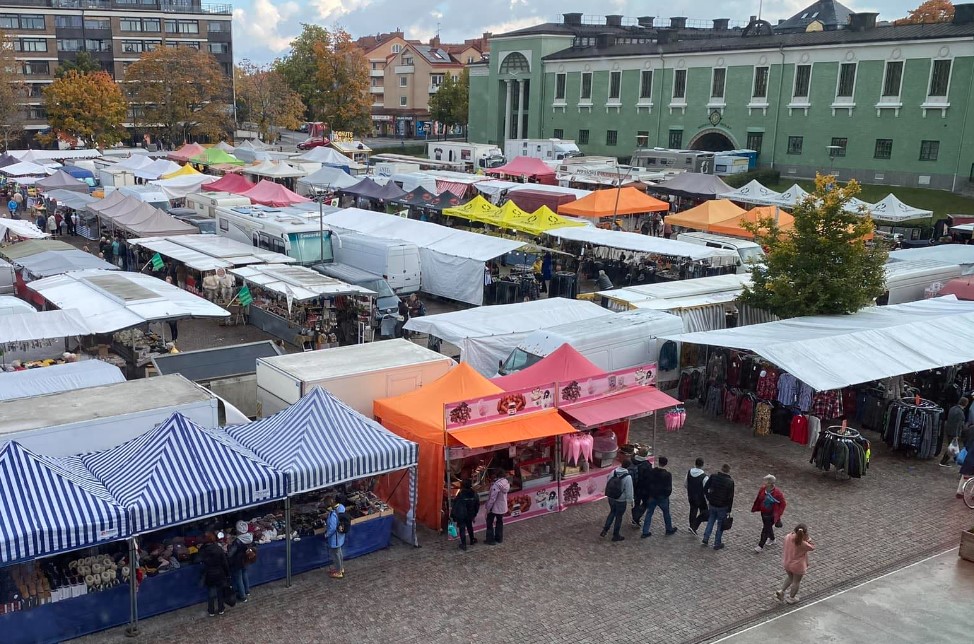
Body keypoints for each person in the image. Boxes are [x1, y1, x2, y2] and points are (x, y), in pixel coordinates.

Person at [776, 524, 815, 604]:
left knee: (790, 577)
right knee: (796, 581)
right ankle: (791, 598)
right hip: (798, 565)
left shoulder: (788, 537)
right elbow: (812, 547)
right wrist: (808, 539)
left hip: (787, 562)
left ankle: (781, 590)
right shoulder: (803, 543)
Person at [641, 456, 678, 538]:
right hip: (662, 497)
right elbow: (669, 488)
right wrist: (666, 495)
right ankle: (669, 529)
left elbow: (648, 483)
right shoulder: (667, 475)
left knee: (649, 513)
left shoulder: (652, 472)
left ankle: (645, 531)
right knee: (666, 513)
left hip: (653, 496)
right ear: (666, 464)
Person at [701, 464, 735, 550]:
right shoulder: (730, 482)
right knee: (720, 525)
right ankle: (717, 543)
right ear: (728, 470)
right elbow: (730, 497)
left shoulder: (713, 477)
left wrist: (709, 498)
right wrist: (729, 509)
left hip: (712, 504)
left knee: (711, 520)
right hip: (722, 506)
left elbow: (705, 488)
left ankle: (706, 538)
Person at [751, 474, 787, 553]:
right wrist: (756, 507)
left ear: (770, 483)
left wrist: (778, 514)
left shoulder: (778, 493)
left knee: (765, 529)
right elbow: (758, 499)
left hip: (771, 515)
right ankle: (772, 539)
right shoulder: (763, 489)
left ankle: (760, 545)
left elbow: (783, 504)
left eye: (766, 481)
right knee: (767, 527)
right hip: (763, 513)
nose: (764, 483)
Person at [601, 460, 633, 542]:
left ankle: (605, 529)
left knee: (612, 512)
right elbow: (629, 491)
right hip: (620, 500)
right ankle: (616, 535)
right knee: (619, 517)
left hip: (611, 497)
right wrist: (630, 501)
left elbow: (608, 482)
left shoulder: (613, 472)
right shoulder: (628, 477)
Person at [199, 531, 230, 616]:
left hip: (209, 573)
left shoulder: (203, 550)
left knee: (211, 593)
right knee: (220, 592)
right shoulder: (218, 548)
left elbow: (199, 560)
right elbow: (224, 562)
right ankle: (221, 609)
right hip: (219, 573)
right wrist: (227, 574)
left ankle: (211, 610)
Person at [451, 478, 481, 551]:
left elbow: (455, 503)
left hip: (461, 514)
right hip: (470, 514)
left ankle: (463, 544)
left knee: (462, 528)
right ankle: (472, 539)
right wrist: (474, 514)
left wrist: (453, 514)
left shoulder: (460, 494)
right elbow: (477, 504)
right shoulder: (474, 494)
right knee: (469, 526)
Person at [227, 521, 253, 602]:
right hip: (245, 559)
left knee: (239, 578)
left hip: (238, 561)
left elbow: (230, 553)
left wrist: (228, 545)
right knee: (244, 574)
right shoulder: (249, 536)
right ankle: (247, 591)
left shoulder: (238, 541)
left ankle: (242, 596)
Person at [323, 494, 347, 578]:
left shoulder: (332, 514)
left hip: (335, 538)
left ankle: (339, 571)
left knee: (335, 554)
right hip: (340, 536)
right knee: (339, 552)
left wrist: (327, 534)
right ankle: (341, 568)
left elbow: (332, 527)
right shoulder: (340, 507)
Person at [484, 472, 510, 545]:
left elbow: (492, 498)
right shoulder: (506, 483)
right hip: (502, 507)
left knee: (489, 523)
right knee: (499, 522)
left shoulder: (496, 485)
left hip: (494, 507)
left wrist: (488, 508)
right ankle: (499, 538)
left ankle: (490, 540)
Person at [630, 448, 654, 527]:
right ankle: (636, 518)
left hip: (634, 487)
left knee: (636, 503)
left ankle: (634, 518)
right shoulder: (647, 465)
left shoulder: (632, 461)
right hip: (644, 488)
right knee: (645, 503)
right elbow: (650, 478)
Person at [941, 397, 969, 466]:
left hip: (948, 430)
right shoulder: (960, 413)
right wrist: (957, 435)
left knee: (952, 446)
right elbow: (958, 425)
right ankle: (943, 461)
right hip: (954, 432)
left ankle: (955, 458)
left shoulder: (952, 408)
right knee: (951, 448)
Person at [685, 458, 709, 535]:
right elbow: (706, 489)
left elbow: (685, 484)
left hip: (691, 495)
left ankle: (692, 525)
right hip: (700, 498)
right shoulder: (704, 477)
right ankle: (694, 526)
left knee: (693, 510)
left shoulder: (689, 472)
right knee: (705, 512)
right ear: (702, 465)